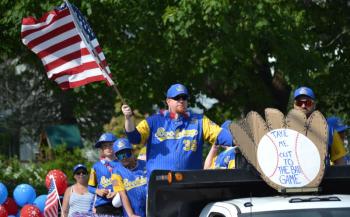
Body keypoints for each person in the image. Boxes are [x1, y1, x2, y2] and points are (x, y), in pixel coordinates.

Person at [121, 83, 233, 176]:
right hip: (160, 185)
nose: (181, 100)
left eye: (184, 97)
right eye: (176, 98)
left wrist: (243, 140)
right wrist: (128, 119)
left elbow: (222, 136)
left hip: (191, 183)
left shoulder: (199, 121)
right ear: (168, 101)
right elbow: (134, 138)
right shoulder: (153, 121)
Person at [293, 86, 347, 165]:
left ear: (314, 105)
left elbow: (341, 164)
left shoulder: (329, 131)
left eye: (308, 103)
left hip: (324, 177)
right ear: (294, 105)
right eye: (299, 103)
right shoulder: (285, 130)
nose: (303, 106)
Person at [88, 133, 123, 217]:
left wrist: (117, 192)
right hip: (102, 204)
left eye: (111, 145)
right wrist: (98, 191)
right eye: (105, 146)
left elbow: (128, 182)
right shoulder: (96, 166)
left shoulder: (122, 163)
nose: (108, 148)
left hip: (121, 201)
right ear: (102, 149)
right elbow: (90, 187)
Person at [111, 138, 147, 217]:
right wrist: (131, 214)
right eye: (120, 155)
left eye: (126, 153)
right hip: (133, 213)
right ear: (116, 157)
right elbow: (122, 195)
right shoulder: (115, 173)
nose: (124, 157)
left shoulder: (146, 165)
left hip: (152, 210)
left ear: (132, 152)